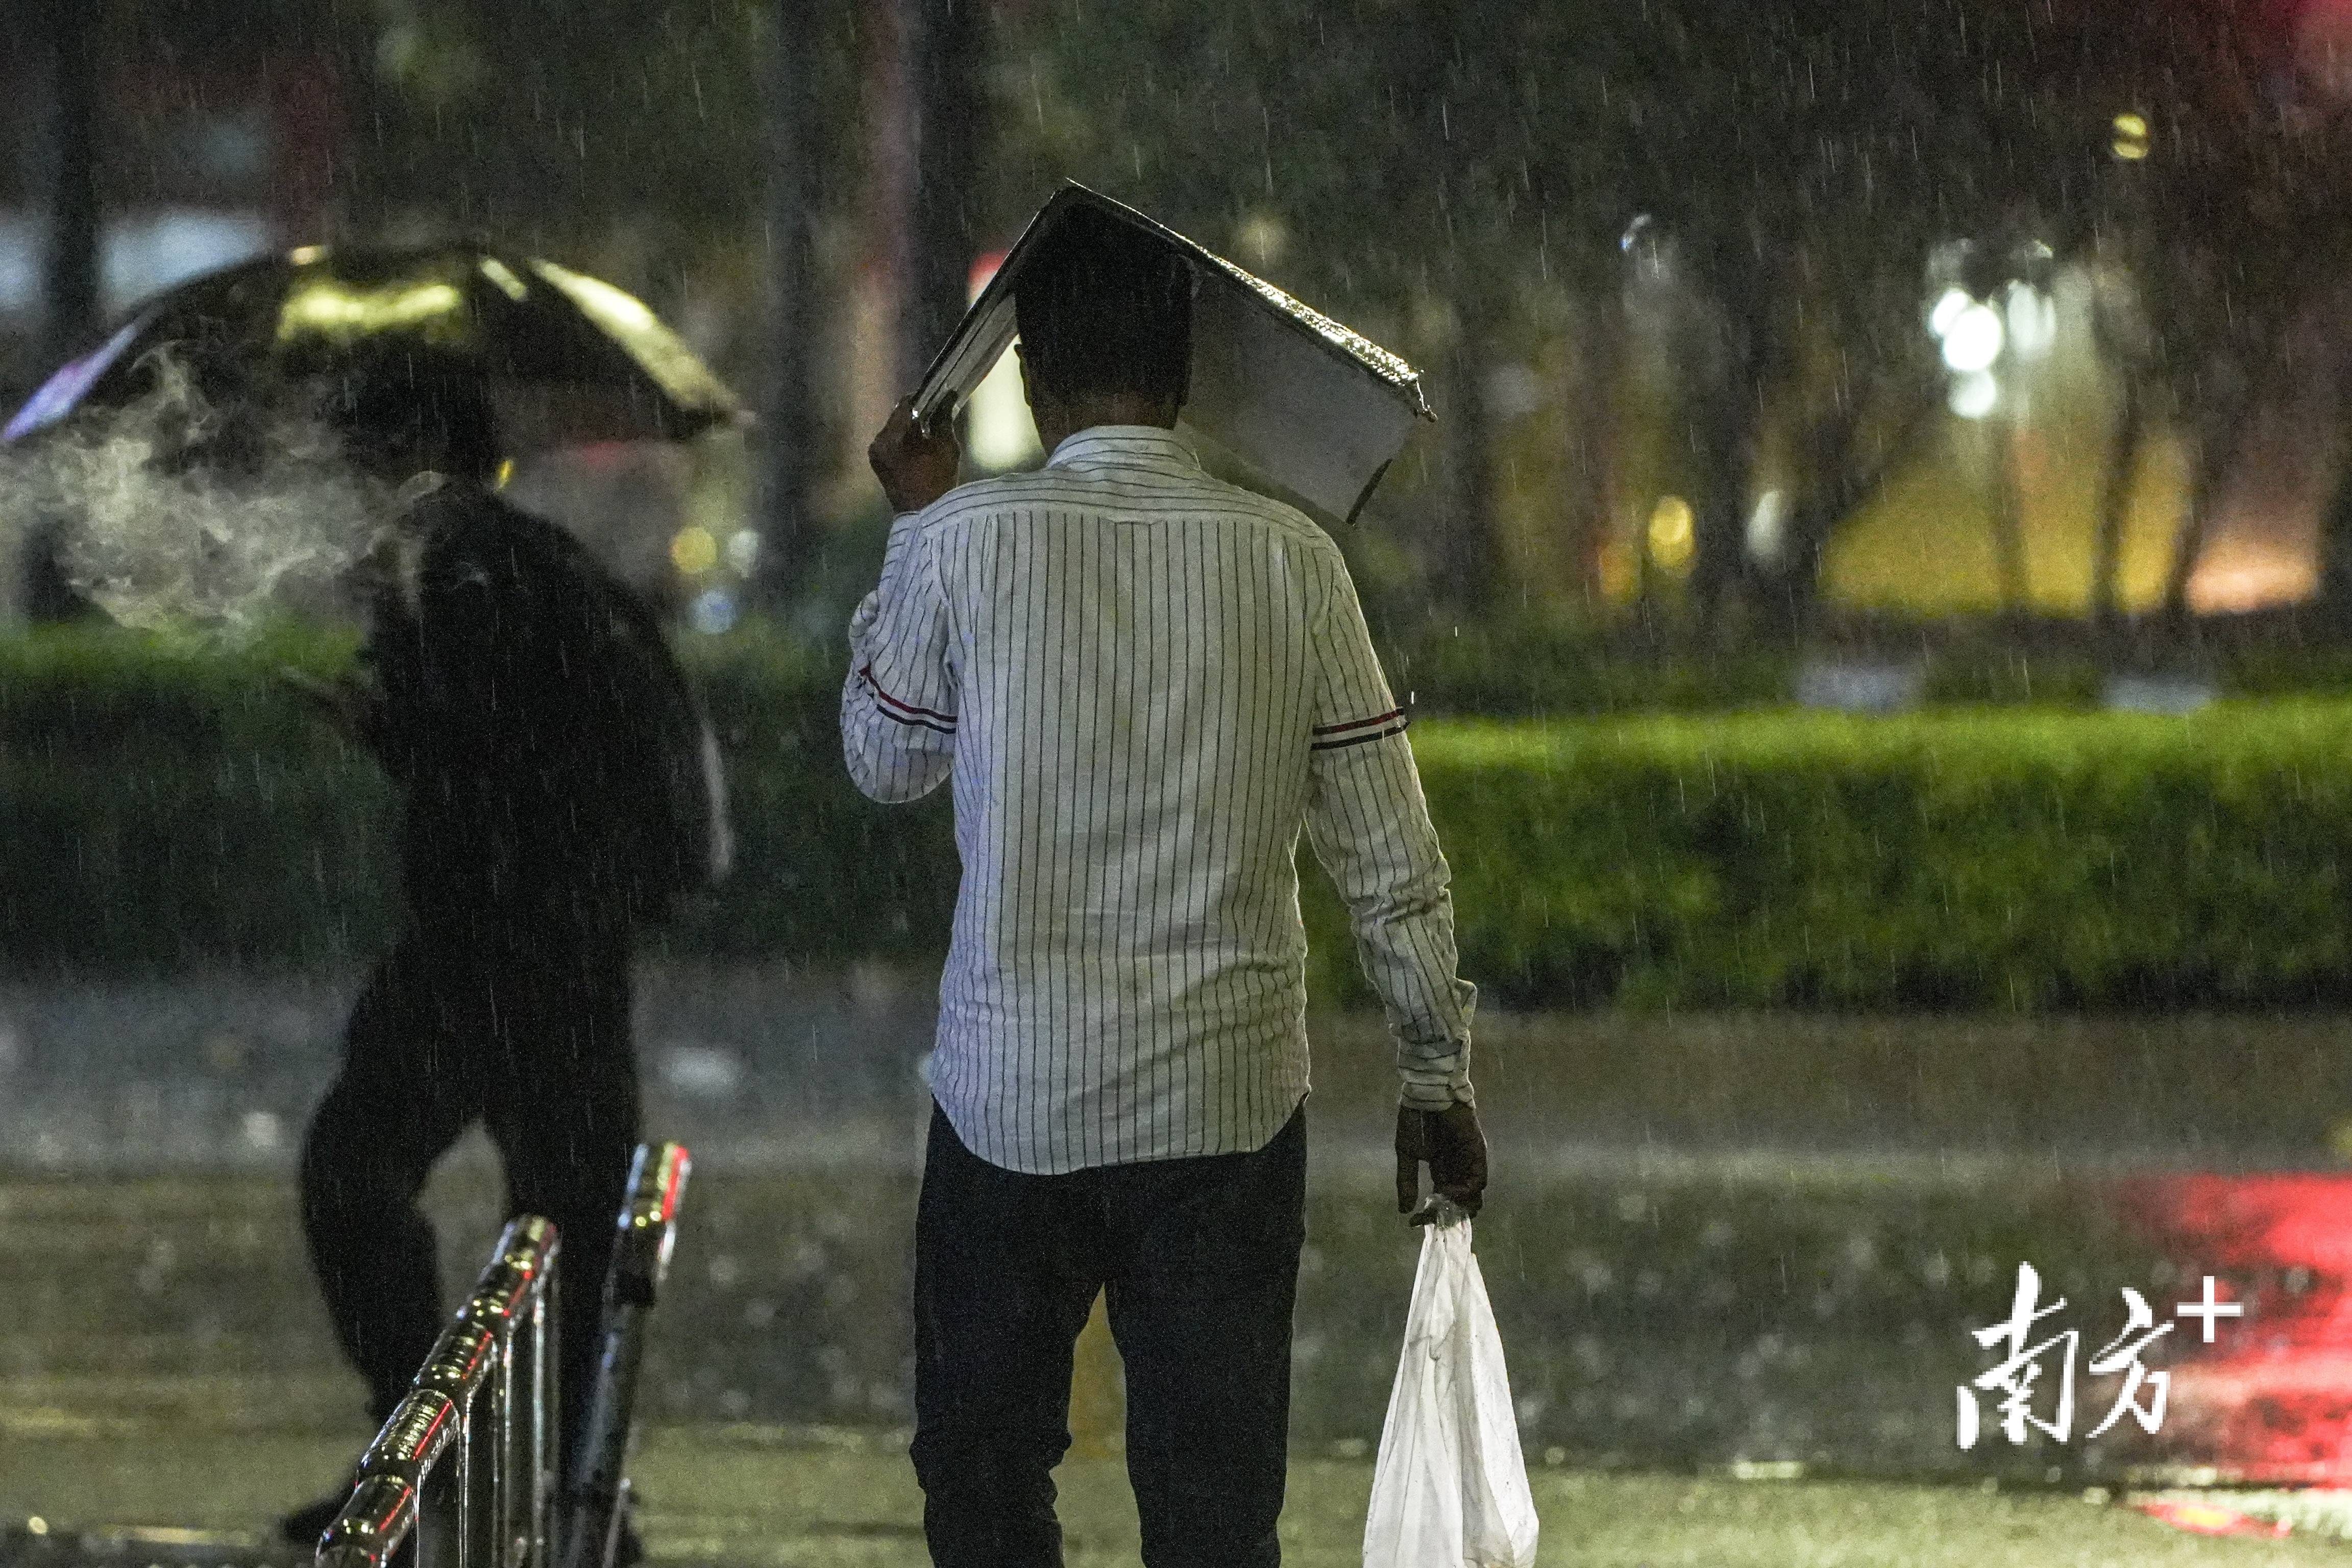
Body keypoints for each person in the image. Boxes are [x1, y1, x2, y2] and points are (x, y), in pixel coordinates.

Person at [845, 207, 1488, 1568]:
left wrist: (915, 522)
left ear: (1028, 377)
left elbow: (886, 756)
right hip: (1225, 1109)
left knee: (984, 1478)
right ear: (1191, 377)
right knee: (1210, 1503)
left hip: (1006, 1098)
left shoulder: (968, 544)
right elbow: (1388, 854)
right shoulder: (1294, 562)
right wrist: (1437, 1077)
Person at [280, 369, 721, 1549]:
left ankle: (430, 1464)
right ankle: (568, 1498)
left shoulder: (461, 561)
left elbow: (487, 753)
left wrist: (386, 720)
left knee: (354, 1175)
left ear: (415, 450)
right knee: (569, 1223)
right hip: (564, 946)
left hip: (497, 946)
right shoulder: (519, 557)